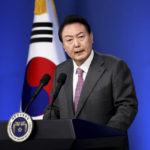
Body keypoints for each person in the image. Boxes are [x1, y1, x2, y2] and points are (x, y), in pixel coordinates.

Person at [43, 15, 138, 132]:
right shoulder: (61, 70)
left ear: (91, 37)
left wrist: (106, 134)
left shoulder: (115, 66)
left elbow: (127, 106)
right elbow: (54, 108)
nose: (76, 44)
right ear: (63, 46)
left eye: (81, 37)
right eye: (69, 40)